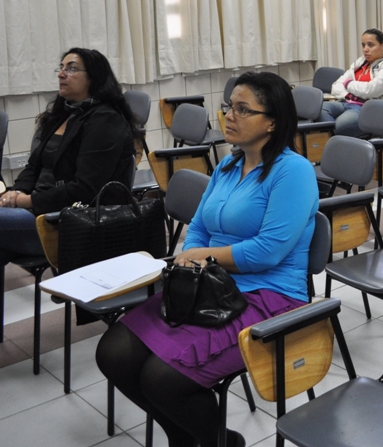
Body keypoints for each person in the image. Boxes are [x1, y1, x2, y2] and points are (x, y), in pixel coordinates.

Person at [96, 72, 320, 447]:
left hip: (269, 296)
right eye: (229, 106)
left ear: (273, 121)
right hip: (209, 286)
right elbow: (199, 225)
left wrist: (203, 256)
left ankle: (221, 441)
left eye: (243, 109)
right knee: (114, 353)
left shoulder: (292, 171)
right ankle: (183, 436)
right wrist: (189, 256)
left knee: (162, 378)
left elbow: (269, 251)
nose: (229, 116)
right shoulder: (228, 166)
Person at [0, 48, 136, 266]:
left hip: (66, 222)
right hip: (39, 208)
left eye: (71, 69)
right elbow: (35, 165)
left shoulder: (105, 121)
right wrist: (18, 191)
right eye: (61, 68)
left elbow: (85, 189)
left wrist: (28, 200)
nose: (61, 74)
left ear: (94, 78)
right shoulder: (65, 112)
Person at [318, 28, 383, 136]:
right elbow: (336, 86)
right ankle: (331, 144)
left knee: (336, 128)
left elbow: (370, 90)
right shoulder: (361, 62)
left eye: (370, 45)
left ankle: (332, 146)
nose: (365, 49)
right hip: (346, 102)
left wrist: (348, 83)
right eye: (363, 45)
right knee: (321, 110)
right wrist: (349, 95)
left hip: (370, 109)